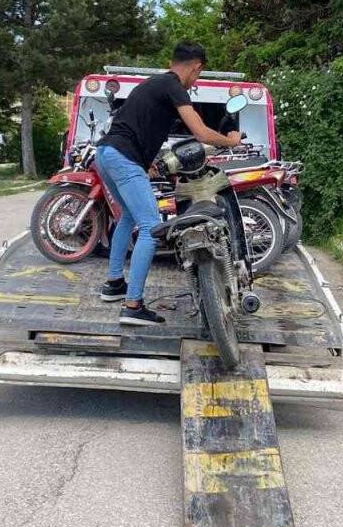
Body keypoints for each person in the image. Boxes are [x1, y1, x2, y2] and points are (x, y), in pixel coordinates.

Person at [96, 42, 243, 326]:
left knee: (128, 217)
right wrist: (230, 141)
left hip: (107, 154)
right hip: (122, 158)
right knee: (152, 228)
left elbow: (136, 124)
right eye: (199, 74)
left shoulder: (154, 84)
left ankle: (114, 284)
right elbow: (200, 132)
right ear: (196, 67)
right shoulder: (174, 85)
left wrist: (145, 161)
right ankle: (133, 305)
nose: (196, 81)